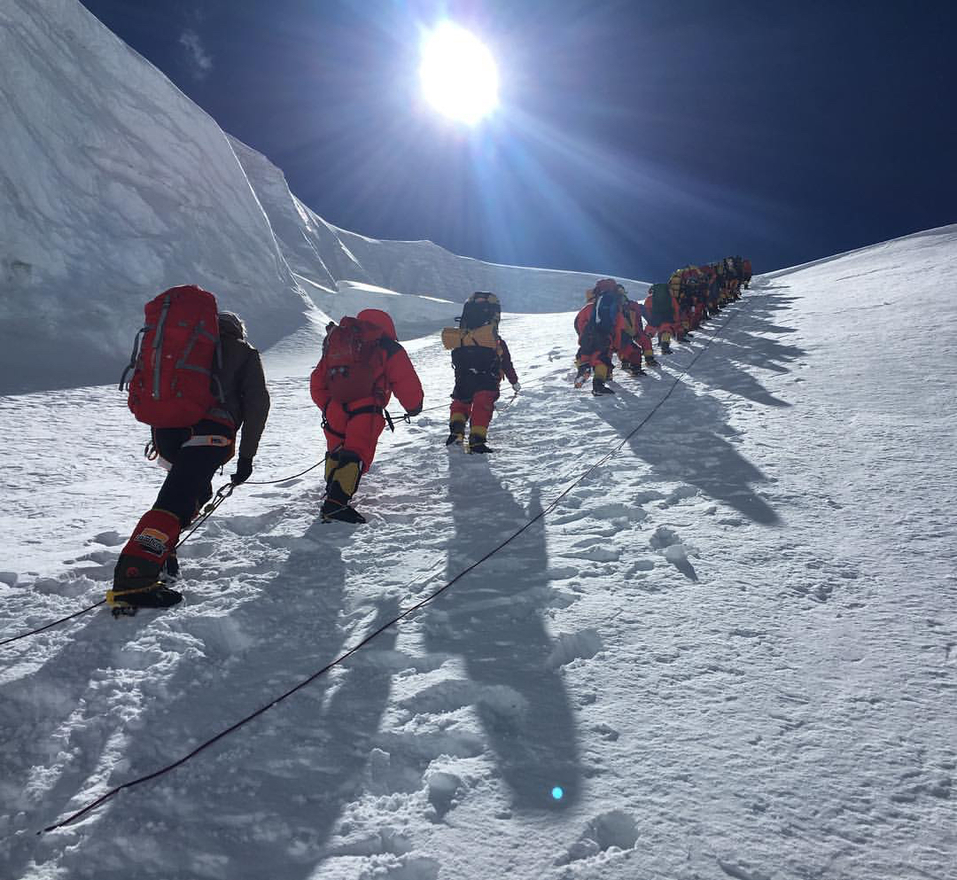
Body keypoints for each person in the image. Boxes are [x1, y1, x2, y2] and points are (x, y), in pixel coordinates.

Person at [109, 309, 270, 611]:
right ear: (238, 331)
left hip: (168, 434)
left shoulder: (185, 347)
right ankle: (134, 580)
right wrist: (246, 457)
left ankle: (161, 551)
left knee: (193, 493)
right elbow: (258, 403)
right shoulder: (242, 351)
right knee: (174, 503)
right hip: (208, 435)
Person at [310, 308, 423, 523]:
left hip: (335, 407)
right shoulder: (388, 347)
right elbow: (405, 381)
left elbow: (317, 380)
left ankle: (332, 491)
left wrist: (329, 406)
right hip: (366, 410)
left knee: (336, 450)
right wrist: (414, 406)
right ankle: (335, 505)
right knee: (356, 453)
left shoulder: (340, 343)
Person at [444, 292, 520, 454]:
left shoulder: (463, 339)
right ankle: (476, 441)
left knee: (461, 402)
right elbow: (506, 363)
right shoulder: (495, 341)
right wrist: (514, 381)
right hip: (487, 378)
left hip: (463, 376)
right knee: (482, 406)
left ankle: (456, 432)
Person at [574, 278, 626, 395]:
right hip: (604, 335)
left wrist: (583, 336)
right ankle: (598, 385)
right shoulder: (615, 306)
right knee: (601, 359)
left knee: (583, 355)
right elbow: (619, 327)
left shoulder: (589, 307)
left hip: (588, 335)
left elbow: (578, 323)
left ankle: (584, 368)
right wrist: (616, 345)